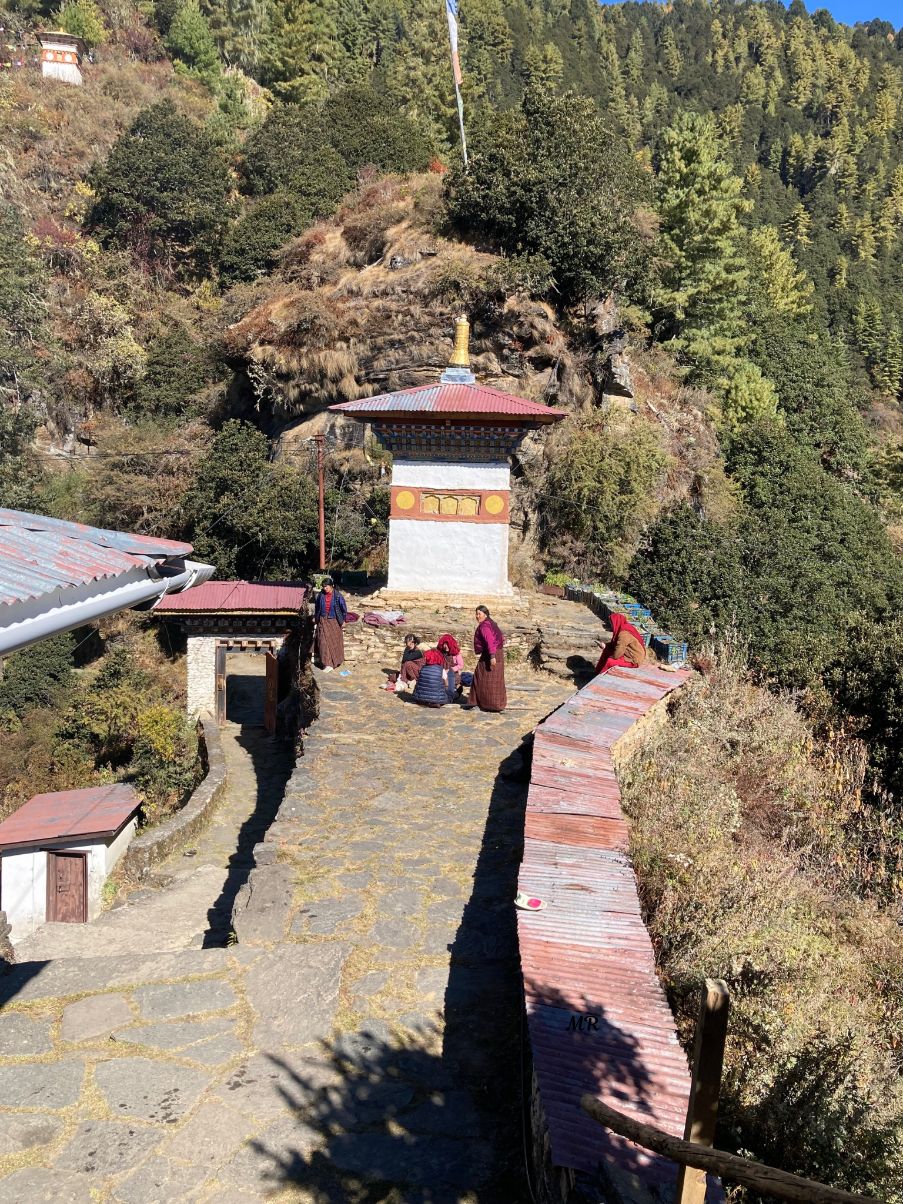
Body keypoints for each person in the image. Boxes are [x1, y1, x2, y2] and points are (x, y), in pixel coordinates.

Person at [468, 605, 507, 712]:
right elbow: (501, 637)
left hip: (491, 654)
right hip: (497, 652)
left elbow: (490, 640)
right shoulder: (491, 623)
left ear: (485, 614)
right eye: (476, 614)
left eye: (479, 614)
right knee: (495, 679)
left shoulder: (485, 626)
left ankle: (477, 703)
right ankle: (496, 704)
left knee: (479, 676)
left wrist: (492, 656)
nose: (477, 616)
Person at [314, 577, 347, 671]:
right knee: (323, 642)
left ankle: (334, 662)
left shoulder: (338, 596)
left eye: (327, 587)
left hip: (334, 621)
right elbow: (317, 608)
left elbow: (343, 609)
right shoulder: (321, 595)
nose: (325, 588)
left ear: (332, 586)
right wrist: (316, 618)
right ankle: (327, 664)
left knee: (334, 642)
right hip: (323, 620)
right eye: (323, 587)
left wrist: (343, 620)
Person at [437, 633, 464, 701]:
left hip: (453, 675)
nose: (446, 646)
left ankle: (457, 693)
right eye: (444, 644)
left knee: (450, 692)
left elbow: (461, 665)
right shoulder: (440, 653)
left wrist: (450, 670)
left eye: (447, 644)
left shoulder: (456, 654)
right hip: (442, 674)